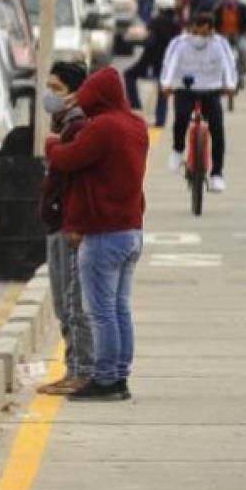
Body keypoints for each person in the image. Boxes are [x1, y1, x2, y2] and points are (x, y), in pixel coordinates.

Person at [45, 67, 148, 402]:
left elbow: (68, 158)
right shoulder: (135, 125)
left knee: (100, 312)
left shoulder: (104, 127)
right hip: (131, 230)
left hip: (103, 233)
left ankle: (104, 380)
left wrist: (49, 145)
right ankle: (120, 377)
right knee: (120, 309)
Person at [37, 62, 94, 396]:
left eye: (56, 88)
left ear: (73, 92)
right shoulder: (63, 122)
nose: (49, 95)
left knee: (73, 303)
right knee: (63, 302)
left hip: (70, 227)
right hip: (58, 224)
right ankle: (74, 367)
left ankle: (80, 371)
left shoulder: (76, 125)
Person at [160, 13, 237, 192]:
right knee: (181, 117)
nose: (199, 37)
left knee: (217, 127)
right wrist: (166, 84)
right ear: (190, 29)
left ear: (211, 31)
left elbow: (229, 65)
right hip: (184, 89)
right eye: (196, 32)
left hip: (211, 89)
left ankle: (217, 174)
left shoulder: (219, 44)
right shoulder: (179, 44)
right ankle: (178, 150)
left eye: (204, 33)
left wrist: (230, 85)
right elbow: (169, 64)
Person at [125, 0, 180, 127]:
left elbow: (150, 41)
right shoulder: (176, 24)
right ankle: (160, 119)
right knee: (163, 89)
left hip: (151, 60)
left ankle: (136, 106)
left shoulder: (156, 22)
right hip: (168, 62)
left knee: (129, 75)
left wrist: (138, 41)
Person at [212, 0, 246, 89]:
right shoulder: (218, 9)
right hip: (223, 36)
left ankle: (241, 73)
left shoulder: (243, 8)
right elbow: (213, 23)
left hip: (239, 34)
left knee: (244, 50)